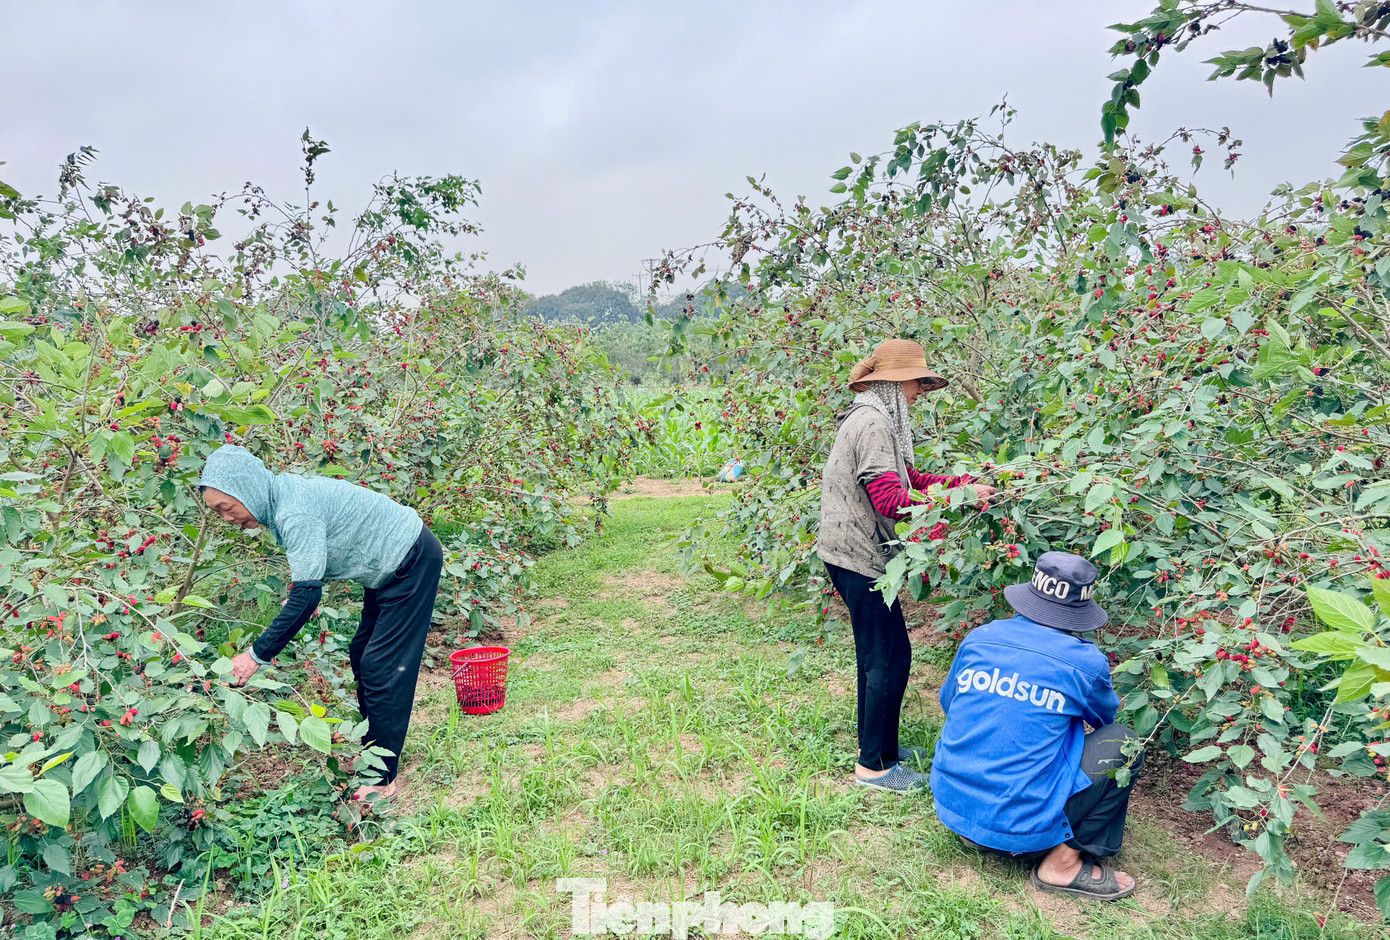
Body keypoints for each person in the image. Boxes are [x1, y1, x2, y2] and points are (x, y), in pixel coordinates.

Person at [198, 445, 443, 802]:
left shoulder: (292, 509)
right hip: (388, 567)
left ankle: (382, 778)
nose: (226, 518)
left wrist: (254, 657)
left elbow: (307, 594)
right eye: (217, 512)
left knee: (382, 667)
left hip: (410, 560)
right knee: (362, 654)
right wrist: (302, 592)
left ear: (246, 489)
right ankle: (373, 751)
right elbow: (315, 560)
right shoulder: (283, 499)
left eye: (226, 507)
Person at [818, 338, 996, 793]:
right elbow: (892, 500)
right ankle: (874, 768)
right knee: (888, 657)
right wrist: (959, 499)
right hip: (858, 554)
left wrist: (964, 483)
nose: (919, 392)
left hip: (850, 550)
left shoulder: (872, 417)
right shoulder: (874, 423)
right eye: (917, 382)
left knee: (881, 655)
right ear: (896, 383)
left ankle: (880, 750)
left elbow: (909, 480)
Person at [931, 551, 1144, 901]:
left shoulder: (982, 636)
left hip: (955, 811)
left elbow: (949, 703)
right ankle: (1061, 865)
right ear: (1080, 608)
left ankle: (985, 820)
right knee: (1124, 743)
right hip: (1020, 831)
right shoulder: (1085, 662)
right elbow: (1104, 720)